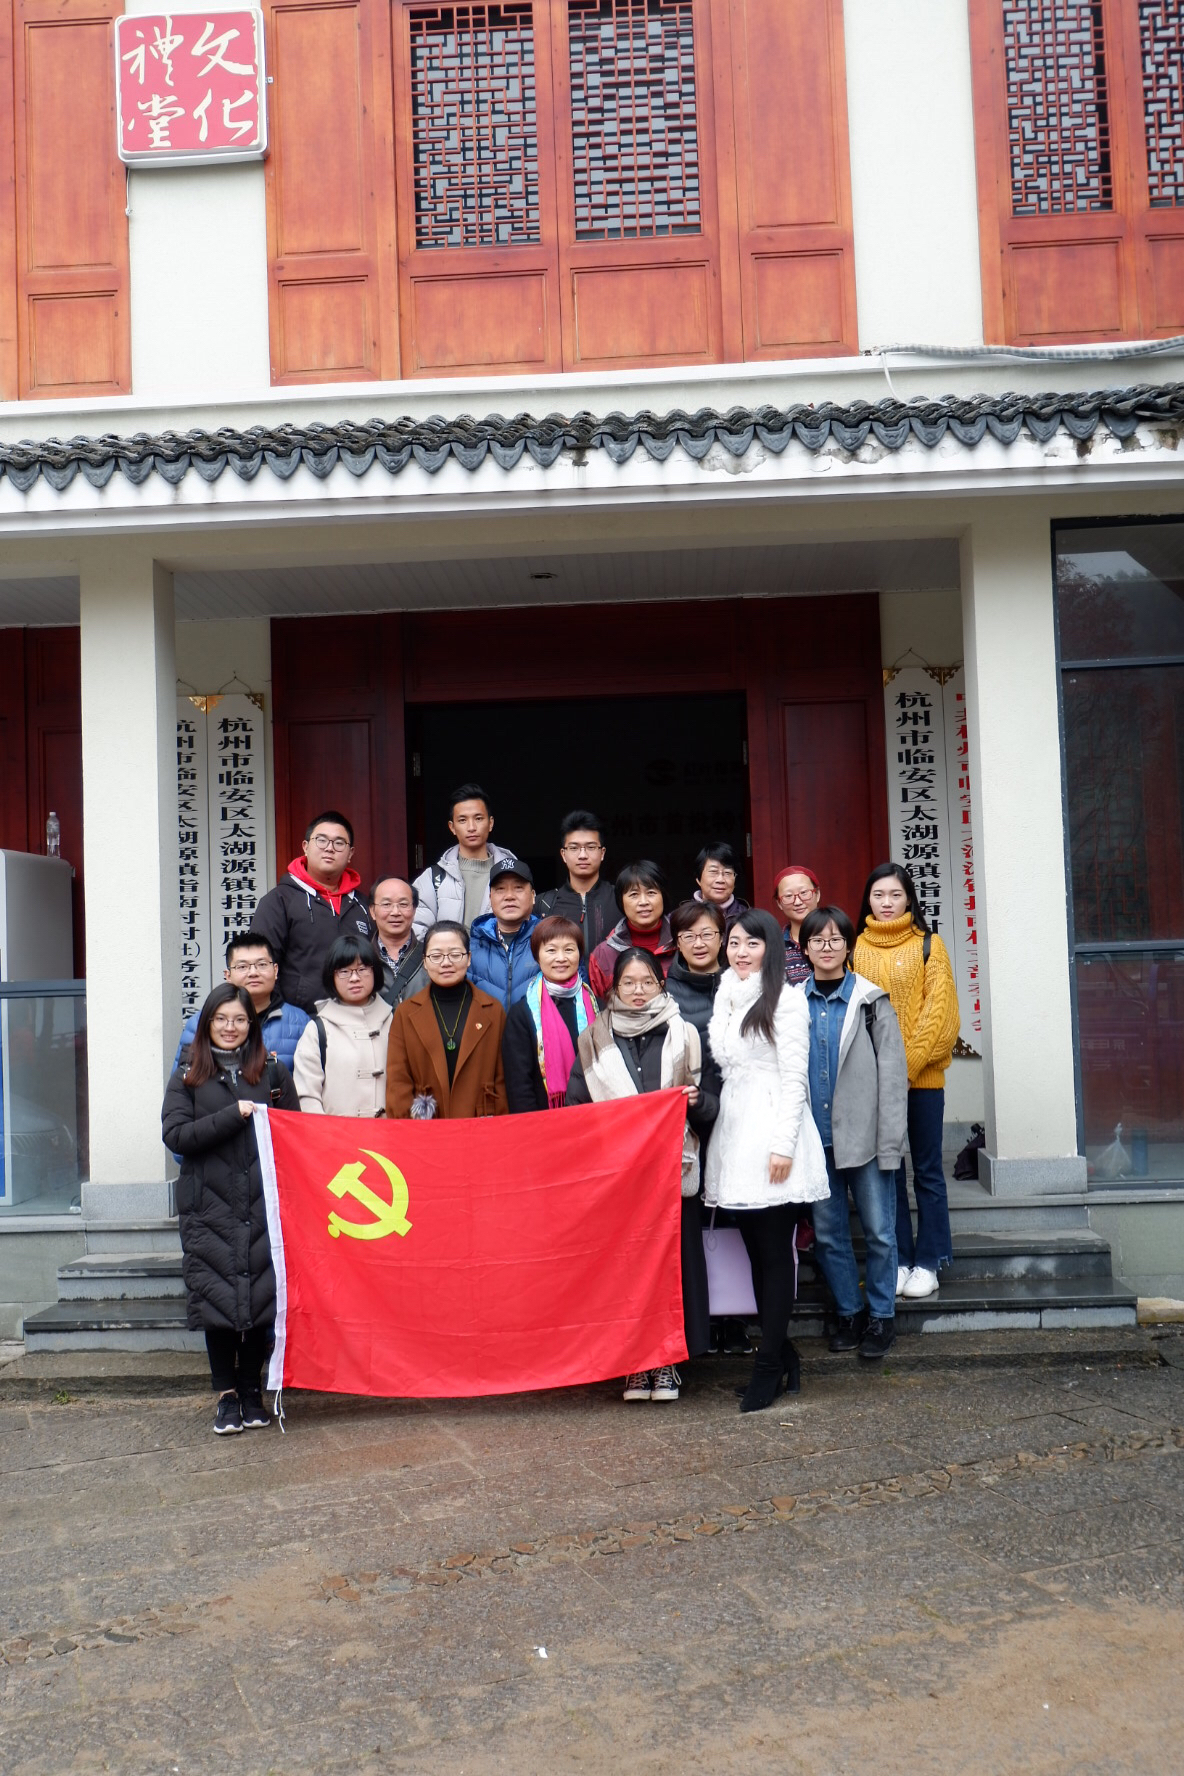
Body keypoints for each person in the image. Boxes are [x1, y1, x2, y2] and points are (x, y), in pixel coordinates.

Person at [567, 947, 716, 1404]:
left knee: (672, 1270)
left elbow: (713, 1104)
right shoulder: (593, 1038)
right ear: (613, 988)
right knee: (626, 1272)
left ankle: (667, 1361)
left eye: (646, 982)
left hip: (674, 1173)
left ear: (661, 984)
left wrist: (697, 1103)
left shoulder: (685, 1033)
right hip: (619, 1179)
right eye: (627, 983)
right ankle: (634, 1363)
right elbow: (577, 1108)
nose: (637, 991)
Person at [161, 983, 298, 1436]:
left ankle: (252, 1390)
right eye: (221, 1019)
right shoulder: (187, 1075)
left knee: (260, 1300)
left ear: (251, 1025)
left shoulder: (272, 1073)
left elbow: (295, 1133)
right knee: (216, 1301)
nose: (230, 1027)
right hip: (209, 1206)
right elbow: (176, 1137)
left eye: (239, 1019)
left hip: (262, 1203)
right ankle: (226, 1396)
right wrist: (231, 1115)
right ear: (207, 1024)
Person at [705, 909, 829, 1413]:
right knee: (755, 1253)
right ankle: (783, 1357)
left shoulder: (787, 999)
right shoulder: (726, 993)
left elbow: (796, 1079)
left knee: (776, 1254)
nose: (740, 952)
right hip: (736, 1132)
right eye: (734, 942)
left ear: (771, 948)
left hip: (775, 1134)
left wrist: (783, 1145)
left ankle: (768, 1365)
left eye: (752, 944)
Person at [800, 905, 908, 1361]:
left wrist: (891, 1143)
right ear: (805, 949)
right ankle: (850, 1312)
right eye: (817, 940)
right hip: (814, 1141)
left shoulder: (871, 1002)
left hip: (865, 1140)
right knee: (828, 1234)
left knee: (880, 1232)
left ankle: (882, 1316)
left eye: (835, 939)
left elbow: (894, 1078)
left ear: (848, 946)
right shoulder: (792, 1004)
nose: (826, 947)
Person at [853, 862, 961, 1304]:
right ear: (868, 899)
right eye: (878, 895)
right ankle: (899, 1259)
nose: (886, 903)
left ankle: (930, 1262)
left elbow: (941, 1017)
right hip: (875, 1082)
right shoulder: (855, 947)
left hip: (922, 1081)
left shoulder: (929, 945)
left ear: (909, 899)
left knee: (928, 1172)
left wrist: (902, 1070)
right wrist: (881, 1075)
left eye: (895, 895)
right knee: (889, 1172)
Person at [252, 811, 375, 1014]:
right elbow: (260, 963)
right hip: (299, 1019)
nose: (329, 848)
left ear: (350, 853)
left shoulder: (363, 905)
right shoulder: (279, 901)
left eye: (339, 843)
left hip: (358, 1018)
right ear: (305, 847)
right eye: (321, 840)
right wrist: (283, 1015)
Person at [386, 921, 508, 1118]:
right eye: (436, 956)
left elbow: (502, 1080)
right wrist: (407, 1128)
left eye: (455, 954)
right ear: (425, 962)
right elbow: (398, 1082)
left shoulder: (492, 1010)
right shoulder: (406, 1013)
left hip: (481, 1124)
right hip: (427, 1125)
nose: (446, 963)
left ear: (469, 958)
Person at [172, 932, 309, 1075]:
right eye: (242, 967)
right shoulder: (200, 1023)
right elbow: (182, 1082)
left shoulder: (301, 1022)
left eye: (262, 965)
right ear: (228, 976)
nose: (253, 973)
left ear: (275, 971)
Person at [502, 915, 598, 1112]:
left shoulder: (597, 1006)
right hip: (544, 1117)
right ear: (537, 956)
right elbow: (519, 1084)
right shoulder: (522, 1013)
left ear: (579, 954)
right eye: (551, 950)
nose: (561, 958)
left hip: (596, 1113)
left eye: (569, 949)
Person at [292, 934, 392, 1117]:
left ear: (375, 971)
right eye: (344, 971)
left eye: (362, 969)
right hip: (334, 1134)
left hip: (390, 1133)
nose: (354, 978)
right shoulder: (317, 1030)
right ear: (332, 976)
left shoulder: (394, 1021)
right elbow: (307, 1097)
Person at [411, 783, 518, 939]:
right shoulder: (433, 878)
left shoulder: (513, 874)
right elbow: (416, 929)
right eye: (462, 820)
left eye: (478, 818)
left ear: (490, 823)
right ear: (452, 827)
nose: (471, 827)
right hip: (448, 955)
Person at [536, 810, 617, 962]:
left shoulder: (619, 898)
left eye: (591, 847)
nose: (582, 855)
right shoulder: (544, 903)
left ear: (602, 853)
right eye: (574, 848)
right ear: (563, 854)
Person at [588, 861, 676, 1001]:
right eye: (634, 894)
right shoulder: (603, 955)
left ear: (663, 896)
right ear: (621, 901)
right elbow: (597, 1008)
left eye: (651, 893)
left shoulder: (683, 944)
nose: (643, 902)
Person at [467, 860, 540, 1009]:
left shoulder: (551, 942)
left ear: (533, 896)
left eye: (518, 888)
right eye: (500, 889)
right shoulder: (469, 949)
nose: (509, 896)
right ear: (490, 898)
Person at [369, 876, 427, 1007]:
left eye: (403, 904)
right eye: (386, 904)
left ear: (414, 910)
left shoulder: (431, 957)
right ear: (372, 911)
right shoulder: (362, 960)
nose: (395, 912)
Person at [774, 865, 822, 986]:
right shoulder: (773, 946)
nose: (798, 902)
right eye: (788, 896)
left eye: (804, 893)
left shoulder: (836, 940)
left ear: (817, 894)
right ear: (779, 903)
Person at [693, 842, 750, 931]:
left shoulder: (749, 918)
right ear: (698, 879)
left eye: (727, 873)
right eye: (713, 872)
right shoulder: (679, 918)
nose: (720, 880)